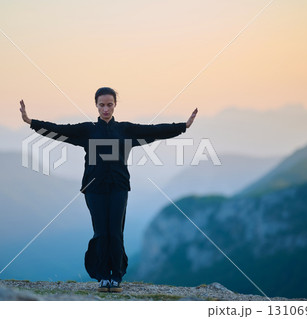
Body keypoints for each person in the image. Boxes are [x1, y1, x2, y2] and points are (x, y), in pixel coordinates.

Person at [19, 87, 198, 293]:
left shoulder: (126, 130)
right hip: (93, 189)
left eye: (109, 104)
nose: (106, 109)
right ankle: (103, 276)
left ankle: (116, 277)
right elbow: (59, 130)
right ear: (96, 105)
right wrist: (31, 122)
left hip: (119, 188)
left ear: (115, 105)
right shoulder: (87, 130)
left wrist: (183, 126)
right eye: (102, 105)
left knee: (115, 231)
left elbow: (154, 131)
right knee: (101, 232)